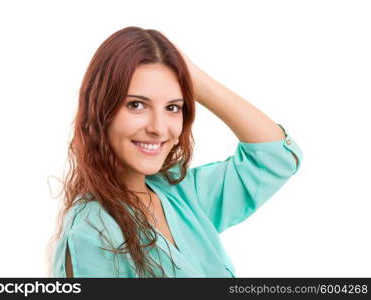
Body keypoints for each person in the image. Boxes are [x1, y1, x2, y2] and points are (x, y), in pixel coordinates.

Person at [48, 26, 303, 278]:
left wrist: (195, 79)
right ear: (100, 110)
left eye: (172, 107)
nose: (159, 128)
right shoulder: (90, 232)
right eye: (136, 105)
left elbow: (276, 159)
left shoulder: (182, 193)